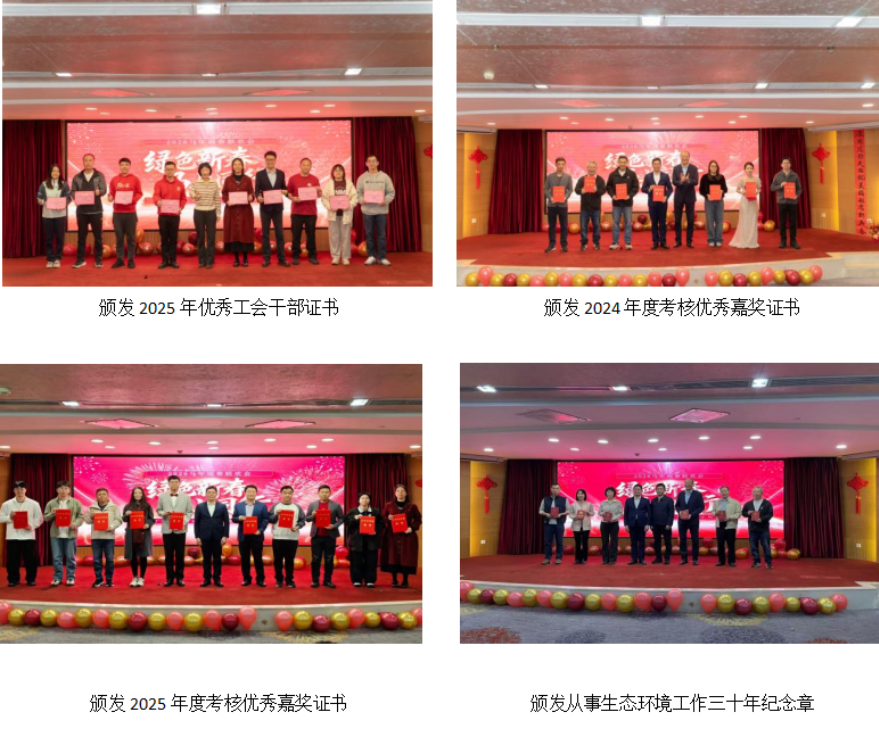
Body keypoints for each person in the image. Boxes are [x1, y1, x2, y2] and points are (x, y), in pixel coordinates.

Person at [0, 481, 43, 587]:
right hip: (12, 536)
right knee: (12, 560)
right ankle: (13, 579)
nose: (19, 491)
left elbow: (39, 518)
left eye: (22, 489)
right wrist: (9, 517)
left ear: (25, 490)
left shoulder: (34, 504)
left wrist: (31, 526)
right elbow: (1, 518)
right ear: (14, 490)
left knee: (30, 560)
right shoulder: (7, 504)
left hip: (28, 536)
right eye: (17, 489)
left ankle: (31, 579)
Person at [356, 154, 396, 266]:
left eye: (374, 161)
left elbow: (391, 192)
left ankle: (382, 257)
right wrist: (361, 200)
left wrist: (385, 200)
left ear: (378, 163)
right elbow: (357, 192)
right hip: (367, 211)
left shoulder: (385, 177)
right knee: (369, 234)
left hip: (381, 211)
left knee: (381, 235)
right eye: (369, 161)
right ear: (366, 164)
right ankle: (371, 256)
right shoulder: (362, 178)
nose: (372, 163)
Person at [70, 153, 107, 268]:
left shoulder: (99, 175)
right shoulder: (77, 177)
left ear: (93, 162)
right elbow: (73, 191)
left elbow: (104, 190)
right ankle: (80, 260)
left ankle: (98, 260)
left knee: (98, 237)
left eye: (90, 160)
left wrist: (99, 192)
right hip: (81, 212)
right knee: (81, 237)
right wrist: (76, 197)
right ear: (83, 162)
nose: (88, 162)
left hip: (96, 211)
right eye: (86, 160)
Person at [43, 480, 83, 586]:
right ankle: (57, 578)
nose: (63, 491)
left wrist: (75, 524)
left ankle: (70, 577)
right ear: (57, 490)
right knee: (57, 558)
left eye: (66, 488)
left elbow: (80, 517)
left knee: (70, 558)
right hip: (56, 534)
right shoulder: (51, 503)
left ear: (69, 490)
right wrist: (52, 513)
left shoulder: (75, 502)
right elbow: (46, 518)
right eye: (61, 488)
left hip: (70, 534)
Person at [380, 484, 422, 587]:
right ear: (395, 493)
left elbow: (418, 520)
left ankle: (405, 580)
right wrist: (387, 518)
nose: (400, 493)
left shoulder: (412, 506)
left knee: (406, 557)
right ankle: (394, 579)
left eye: (402, 491)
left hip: (407, 535)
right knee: (392, 556)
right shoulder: (389, 505)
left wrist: (411, 528)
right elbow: (382, 517)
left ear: (406, 493)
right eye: (398, 491)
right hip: (391, 535)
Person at [254, 150, 290, 268]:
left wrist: (285, 192)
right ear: (265, 160)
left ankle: (281, 259)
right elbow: (257, 190)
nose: (270, 161)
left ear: (275, 160)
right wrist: (258, 197)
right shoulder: (260, 174)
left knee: (280, 234)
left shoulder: (281, 173)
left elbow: (284, 188)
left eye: (272, 159)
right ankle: (266, 259)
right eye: (268, 160)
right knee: (265, 234)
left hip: (277, 208)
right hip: (265, 208)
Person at [156, 474, 193, 586]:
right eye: (172, 482)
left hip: (180, 530)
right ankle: (169, 578)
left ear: (179, 483)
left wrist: (182, 522)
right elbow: (158, 510)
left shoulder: (186, 497)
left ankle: (180, 578)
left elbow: (189, 512)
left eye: (176, 482)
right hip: (167, 530)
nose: (174, 484)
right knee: (168, 555)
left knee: (180, 555)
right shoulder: (162, 496)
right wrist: (163, 513)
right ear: (168, 483)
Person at [305, 484, 345, 588]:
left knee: (329, 559)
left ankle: (327, 580)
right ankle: (315, 580)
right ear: (318, 493)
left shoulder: (336, 505)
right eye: (322, 492)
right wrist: (313, 515)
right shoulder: (313, 505)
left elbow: (341, 518)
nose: (324, 494)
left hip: (330, 536)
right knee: (316, 559)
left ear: (330, 493)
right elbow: (307, 518)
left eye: (327, 492)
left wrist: (334, 526)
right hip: (316, 536)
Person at [232, 484, 270, 587]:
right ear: (245, 493)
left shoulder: (262, 506)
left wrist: (260, 530)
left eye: (253, 491)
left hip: (256, 535)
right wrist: (239, 518)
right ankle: (246, 579)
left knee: (258, 558)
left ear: (256, 493)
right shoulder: (238, 506)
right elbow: (234, 518)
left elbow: (266, 519)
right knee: (245, 559)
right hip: (243, 536)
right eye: (249, 491)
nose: (251, 493)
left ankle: (260, 579)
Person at [108, 157, 143, 269]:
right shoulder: (114, 180)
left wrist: (132, 200)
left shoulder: (135, 179)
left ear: (129, 166)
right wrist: (110, 197)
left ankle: (131, 259)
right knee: (119, 237)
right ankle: (120, 259)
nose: (124, 166)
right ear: (119, 166)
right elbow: (111, 193)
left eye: (126, 165)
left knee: (131, 238)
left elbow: (139, 193)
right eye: (122, 164)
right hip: (117, 213)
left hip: (130, 212)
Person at [84, 488, 122, 588]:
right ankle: (99, 579)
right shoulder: (92, 507)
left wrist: (111, 526)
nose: (102, 496)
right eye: (99, 494)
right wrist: (91, 517)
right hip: (96, 537)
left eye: (104, 494)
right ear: (96, 496)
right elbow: (86, 520)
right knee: (97, 560)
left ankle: (109, 579)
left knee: (109, 559)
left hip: (109, 537)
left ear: (108, 495)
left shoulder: (114, 507)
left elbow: (119, 520)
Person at [287, 157, 322, 266]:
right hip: (296, 212)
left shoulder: (315, 179)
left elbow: (319, 195)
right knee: (296, 235)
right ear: (300, 165)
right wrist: (293, 198)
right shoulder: (293, 178)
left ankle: (312, 255)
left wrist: (319, 191)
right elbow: (288, 193)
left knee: (311, 235)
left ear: (311, 166)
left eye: (308, 165)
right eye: (304, 165)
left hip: (311, 212)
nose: (306, 167)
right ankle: (295, 256)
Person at [321, 163, 358, 265]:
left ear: (343, 172)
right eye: (336, 170)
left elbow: (355, 197)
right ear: (333, 173)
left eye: (340, 170)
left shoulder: (349, 183)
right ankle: (336, 257)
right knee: (334, 236)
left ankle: (345, 257)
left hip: (345, 213)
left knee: (346, 236)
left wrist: (349, 205)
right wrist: (330, 206)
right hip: (333, 214)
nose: (338, 172)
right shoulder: (329, 184)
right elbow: (324, 198)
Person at [345, 492, 385, 586]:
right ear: (359, 500)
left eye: (367, 498)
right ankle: (357, 580)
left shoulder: (375, 512)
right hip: (357, 541)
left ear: (369, 500)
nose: (364, 500)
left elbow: (382, 524)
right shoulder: (353, 512)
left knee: (371, 561)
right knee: (356, 562)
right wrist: (355, 518)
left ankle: (370, 580)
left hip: (371, 541)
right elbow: (347, 524)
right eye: (362, 498)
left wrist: (375, 530)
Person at [269, 485, 305, 588]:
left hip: (292, 538)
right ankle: (279, 579)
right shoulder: (275, 506)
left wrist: (297, 527)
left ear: (293, 494)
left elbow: (302, 521)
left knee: (290, 560)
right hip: (278, 538)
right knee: (278, 560)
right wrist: (276, 515)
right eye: (285, 493)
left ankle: (289, 580)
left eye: (289, 493)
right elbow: (270, 519)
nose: (287, 495)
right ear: (281, 494)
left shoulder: (297, 507)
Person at [222, 157, 255, 267]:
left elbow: (251, 193)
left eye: (239, 164)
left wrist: (251, 197)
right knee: (234, 234)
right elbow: (224, 194)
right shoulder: (228, 180)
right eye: (235, 164)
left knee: (244, 233)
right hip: (231, 211)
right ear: (232, 166)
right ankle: (236, 259)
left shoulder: (247, 179)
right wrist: (227, 200)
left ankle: (245, 258)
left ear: (242, 166)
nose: (237, 166)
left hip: (245, 211)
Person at [194, 485, 229, 587]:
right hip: (204, 536)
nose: (211, 494)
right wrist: (197, 536)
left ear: (216, 494)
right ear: (205, 494)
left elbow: (226, 522)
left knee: (217, 559)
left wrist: (225, 536)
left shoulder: (222, 506)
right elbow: (196, 522)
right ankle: (207, 579)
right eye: (209, 493)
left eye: (213, 493)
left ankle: (217, 579)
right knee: (206, 559)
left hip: (218, 537)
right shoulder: (200, 506)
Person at [154, 160, 187, 269]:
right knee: (164, 239)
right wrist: (157, 202)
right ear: (164, 170)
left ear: (175, 170)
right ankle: (164, 260)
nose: (169, 171)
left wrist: (181, 207)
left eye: (171, 169)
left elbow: (184, 198)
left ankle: (173, 260)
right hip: (163, 216)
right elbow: (155, 196)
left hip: (175, 216)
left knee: (173, 239)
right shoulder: (159, 183)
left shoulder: (180, 184)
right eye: (167, 169)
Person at [36, 164, 71, 268]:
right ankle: (50, 259)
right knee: (49, 238)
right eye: (53, 171)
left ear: (60, 173)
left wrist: (63, 204)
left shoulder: (64, 184)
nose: (55, 173)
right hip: (47, 215)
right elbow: (39, 197)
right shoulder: (43, 184)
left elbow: (69, 198)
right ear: (50, 172)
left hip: (60, 215)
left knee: (60, 238)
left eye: (57, 171)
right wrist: (41, 201)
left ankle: (58, 259)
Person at [190, 162, 222, 268]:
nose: (205, 171)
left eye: (206, 169)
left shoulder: (214, 183)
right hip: (199, 212)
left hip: (211, 212)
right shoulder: (196, 183)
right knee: (200, 237)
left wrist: (218, 213)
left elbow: (217, 199)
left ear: (210, 171)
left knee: (211, 237)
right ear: (200, 171)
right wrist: (195, 196)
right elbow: (191, 193)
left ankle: (210, 260)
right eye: (202, 170)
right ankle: (201, 260)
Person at [122, 486, 156, 587]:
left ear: (142, 494)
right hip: (131, 534)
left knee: (143, 556)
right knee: (133, 556)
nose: (137, 495)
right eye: (135, 493)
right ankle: (135, 577)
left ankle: (141, 578)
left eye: (139, 493)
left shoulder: (147, 506)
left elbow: (151, 519)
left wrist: (148, 524)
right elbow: (124, 519)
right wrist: (126, 515)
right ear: (133, 494)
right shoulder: (128, 506)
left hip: (143, 533)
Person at [606, 155, 639, 250]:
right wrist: (613, 195)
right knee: (616, 223)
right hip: (616, 203)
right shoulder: (612, 174)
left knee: (628, 223)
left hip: (627, 203)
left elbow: (635, 187)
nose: (622, 164)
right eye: (620, 162)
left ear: (627, 163)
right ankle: (615, 242)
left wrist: (630, 195)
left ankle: (628, 242)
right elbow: (609, 187)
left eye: (624, 162)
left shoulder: (631, 174)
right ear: (618, 163)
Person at [770, 158, 803, 250]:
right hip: (782, 202)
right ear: (781, 165)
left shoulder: (795, 175)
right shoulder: (777, 175)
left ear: (790, 164)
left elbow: (799, 189)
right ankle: (783, 241)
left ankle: (793, 241)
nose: (786, 164)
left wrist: (796, 195)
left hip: (793, 202)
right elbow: (772, 188)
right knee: (782, 222)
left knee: (793, 222)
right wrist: (780, 185)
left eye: (788, 163)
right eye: (784, 163)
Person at [543, 157, 574, 253]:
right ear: (556, 164)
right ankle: (552, 245)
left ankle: (564, 245)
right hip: (552, 205)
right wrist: (550, 198)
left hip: (563, 205)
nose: (560, 166)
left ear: (564, 165)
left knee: (564, 226)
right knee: (552, 226)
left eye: (562, 164)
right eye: (559, 164)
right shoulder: (550, 177)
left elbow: (570, 189)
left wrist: (565, 197)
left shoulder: (568, 177)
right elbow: (545, 189)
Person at [574, 161, 606, 250]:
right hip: (584, 208)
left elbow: (603, 191)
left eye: (593, 167)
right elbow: (576, 190)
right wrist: (581, 191)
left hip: (596, 208)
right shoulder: (582, 179)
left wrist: (597, 190)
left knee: (596, 226)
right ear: (587, 168)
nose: (592, 169)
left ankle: (596, 242)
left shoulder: (600, 179)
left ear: (596, 168)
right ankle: (584, 243)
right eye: (590, 167)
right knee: (584, 227)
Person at [641, 157, 672, 250]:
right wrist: (649, 189)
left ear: (660, 165)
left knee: (662, 223)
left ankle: (663, 241)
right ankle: (655, 241)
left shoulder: (665, 176)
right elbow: (643, 189)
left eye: (658, 164)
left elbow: (670, 189)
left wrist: (666, 197)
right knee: (654, 223)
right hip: (652, 203)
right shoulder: (648, 176)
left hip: (662, 203)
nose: (657, 165)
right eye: (655, 164)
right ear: (652, 165)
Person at [730, 162, 762, 249]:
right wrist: (742, 192)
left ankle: (752, 241)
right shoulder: (742, 179)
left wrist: (756, 192)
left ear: (753, 169)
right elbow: (737, 190)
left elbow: (759, 189)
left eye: (751, 168)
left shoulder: (756, 179)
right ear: (745, 169)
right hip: (745, 201)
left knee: (752, 220)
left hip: (753, 201)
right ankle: (743, 240)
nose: (749, 170)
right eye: (747, 168)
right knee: (744, 220)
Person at [741, 486, 774, 569]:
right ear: (752, 493)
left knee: (766, 546)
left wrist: (762, 519)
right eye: (754, 492)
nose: (756, 493)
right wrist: (748, 513)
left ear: (762, 493)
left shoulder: (767, 503)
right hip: (752, 529)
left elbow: (770, 514)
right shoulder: (748, 504)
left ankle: (768, 563)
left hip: (763, 529)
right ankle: (756, 562)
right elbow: (743, 513)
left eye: (758, 492)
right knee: (753, 547)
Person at [699, 160, 728, 248]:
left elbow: (725, 189)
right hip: (709, 201)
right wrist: (706, 195)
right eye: (712, 166)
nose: (714, 167)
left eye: (715, 166)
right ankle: (711, 239)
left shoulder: (721, 177)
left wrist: (722, 191)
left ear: (717, 167)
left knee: (719, 220)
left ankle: (718, 239)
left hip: (719, 201)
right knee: (710, 220)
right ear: (709, 167)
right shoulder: (705, 177)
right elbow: (701, 190)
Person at [672, 150, 699, 249]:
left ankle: (689, 241)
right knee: (677, 220)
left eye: (686, 156)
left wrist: (688, 180)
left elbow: (696, 181)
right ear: (680, 157)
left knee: (690, 220)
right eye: (682, 156)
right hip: (678, 197)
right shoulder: (676, 168)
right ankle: (678, 241)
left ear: (689, 157)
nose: (684, 158)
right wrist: (681, 181)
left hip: (690, 197)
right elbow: (674, 181)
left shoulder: (694, 168)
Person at [675, 478, 705, 565]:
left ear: (692, 484)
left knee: (695, 540)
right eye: (686, 483)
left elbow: (701, 507)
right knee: (682, 539)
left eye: (689, 483)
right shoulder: (681, 494)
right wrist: (679, 512)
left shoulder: (698, 494)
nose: (687, 484)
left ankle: (695, 559)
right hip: (682, 521)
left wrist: (691, 515)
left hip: (693, 520)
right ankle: (684, 559)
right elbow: (677, 506)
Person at [711, 485, 741, 567]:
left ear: (728, 492)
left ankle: (731, 561)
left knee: (731, 544)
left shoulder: (735, 502)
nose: (723, 493)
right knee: (720, 544)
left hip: (730, 526)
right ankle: (721, 560)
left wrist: (730, 517)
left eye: (725, 491)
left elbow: (738, 513)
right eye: (722, 491)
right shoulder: (717, 502)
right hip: (719, 525)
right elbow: (713, 511)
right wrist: (715, 513)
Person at [538, 483, 568, 564]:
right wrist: (546, 514)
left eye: (557, 488)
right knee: (547, 542)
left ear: (560, 490)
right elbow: (540, 511)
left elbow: (568, 511)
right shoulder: (545, 499)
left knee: (559, 542)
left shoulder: (564, 500)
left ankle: (558, 558)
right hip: (548, 524)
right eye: (554, 488)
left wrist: (561, 514)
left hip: (559, 524)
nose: (555, 490)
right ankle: (547, 558)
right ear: (551, 489)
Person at [624, 483, 650, 565]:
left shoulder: (646, 501)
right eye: (635, 489)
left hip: (642, 524)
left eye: (639, 489)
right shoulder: (628, 501)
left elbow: (649, 513)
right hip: (631, 524)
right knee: (633, 542)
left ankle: (641, 559)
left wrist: (647, 524)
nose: (637, 491)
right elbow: (626, 513)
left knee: (642, 542)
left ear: (641, 491)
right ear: (633, 491)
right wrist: (626, 524)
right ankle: (634, 559)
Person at [650, 483, 675, 565]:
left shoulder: (669, 500)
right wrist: (651, 524)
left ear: (664, 490)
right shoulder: (653, 500)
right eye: (658, 489)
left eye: (661, 489)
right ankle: (658, 558)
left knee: (667, 542)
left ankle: (667, 558)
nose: (659, 490)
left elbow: (671, 513)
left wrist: (669, 524)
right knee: (657, 542)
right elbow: (651, 513)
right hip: (655, 525)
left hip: (666, 525)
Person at [569, 489, 594, 564]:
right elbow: (570, 514)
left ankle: (584, 558)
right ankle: (577, 558)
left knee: (585, 543)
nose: (580, 495)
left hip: (586, 526)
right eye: (579, 494)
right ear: (576, 495)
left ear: (584, 495)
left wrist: (588, 513)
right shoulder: (573, 505)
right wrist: (574, 517)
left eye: (582, 494)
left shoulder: (589, 504)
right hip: (576, 525)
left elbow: (593, 513)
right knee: (577, 543)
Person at [598, 487, 623, 565]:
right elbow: (599, 512)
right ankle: (605, 559)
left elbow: (620, 513)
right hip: (604, 523)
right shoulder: (603, 502)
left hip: (614, 523)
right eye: (608, 492)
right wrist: (602, 513)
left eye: (611, 492)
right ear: (606, 493)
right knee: (604, 541)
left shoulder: (617, 502)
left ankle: (612, 559)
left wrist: (613, 518)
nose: (609, 493)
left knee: (614, 541)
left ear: (614, 493)